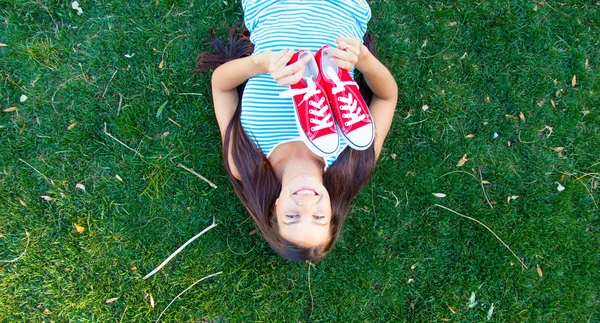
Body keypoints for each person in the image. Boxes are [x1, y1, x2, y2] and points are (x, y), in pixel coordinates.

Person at [194, 0, 397, 261]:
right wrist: (365, 61)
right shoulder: (352, 155)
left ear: (275, 209)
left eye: (292, 217)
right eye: (318, 217)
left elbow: (221, 85)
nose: (306, 205)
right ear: (331, 210)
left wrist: (263, 64)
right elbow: (386, 98)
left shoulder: (245, 161)